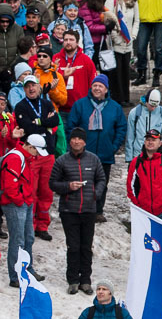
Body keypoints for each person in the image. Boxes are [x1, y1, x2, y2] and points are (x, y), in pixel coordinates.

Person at [50, 126, 107, 295]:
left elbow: (102, 179)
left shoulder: (94, 159)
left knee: (86, 246)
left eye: (80, 139)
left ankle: (86, 280)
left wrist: (95, 194)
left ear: (84, 142)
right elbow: (52, 183)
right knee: (73, 246)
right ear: (70, 141)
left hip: (89, 210)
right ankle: (73, 279)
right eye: (74, 138)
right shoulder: (62, 160)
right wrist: (68, 186)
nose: (76, 141)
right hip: (69, 210)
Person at [67, 73, 127, 220]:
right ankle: (80, 209)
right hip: (83, 153)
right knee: (81, 181)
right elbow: (71, 126)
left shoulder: (115, 107)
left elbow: (121, 128)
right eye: (95, 85)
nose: (97, 88)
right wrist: (76, 146)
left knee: (101, 183)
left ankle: (97, 211)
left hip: (105, 154)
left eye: (100, 86)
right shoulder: (80, 105)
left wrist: (114, 146)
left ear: (106, 90)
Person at [12, 74, 59, 239]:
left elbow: (56, 121)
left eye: (33, 85)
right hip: (30, 154)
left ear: (39, 86)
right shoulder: (20, 106)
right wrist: (43, 122)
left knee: (46, 191)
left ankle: (42, 225)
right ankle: (29, 226)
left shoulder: (46, 103)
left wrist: (37, 122)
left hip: (47, 153)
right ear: (24, 89)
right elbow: (25, 127)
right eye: (27, 86)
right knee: (30, 191)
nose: (31, 89)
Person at [1, 134, 46, 287]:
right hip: (15, 204)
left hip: (24, 202)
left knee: (28, 238)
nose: (38, 154)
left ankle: (27, 269)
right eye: (37, 151)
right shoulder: (15, 158)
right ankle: (15, 276)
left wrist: (26, 200)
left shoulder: (25, 157)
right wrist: (20, 200)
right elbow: (10, 186)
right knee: (18, 240)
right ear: (30, 146)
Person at [126, 128, 162, 225]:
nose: (150, 142)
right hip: (143, 211)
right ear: (144, 142)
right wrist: (136, 203)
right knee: (144, 240)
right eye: (148, 140)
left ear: (160, 143)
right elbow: (130, 185)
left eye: (153, 140)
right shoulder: (136, 162)